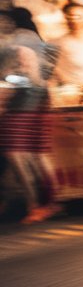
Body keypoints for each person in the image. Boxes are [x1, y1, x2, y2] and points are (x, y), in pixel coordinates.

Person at [0, 45, 61, 223]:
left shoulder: (26, 80)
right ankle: (35, 203)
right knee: (21, 160)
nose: (21, 61)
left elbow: (9, 92)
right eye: (18, 58)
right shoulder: (21, 77)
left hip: (25, 121)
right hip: (18, 121)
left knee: (26, 160)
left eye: (25, 58)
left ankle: (38, 204)